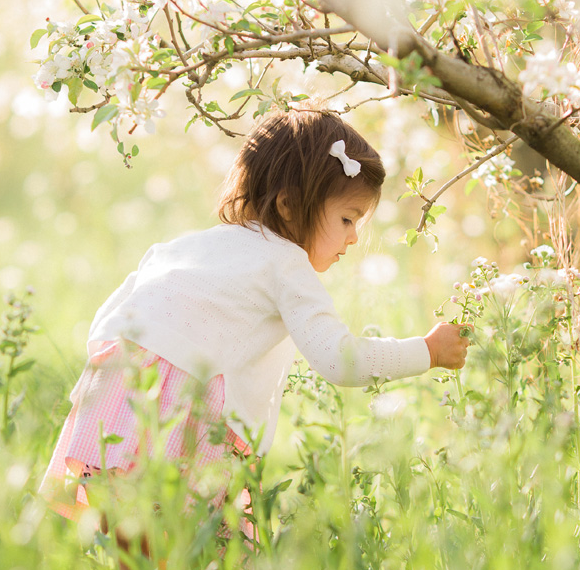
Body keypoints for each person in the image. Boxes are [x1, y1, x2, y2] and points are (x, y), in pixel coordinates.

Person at [39, 107, 467, 521]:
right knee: (204, 566)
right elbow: (339, 358)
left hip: (116, 400)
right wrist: (426, 351)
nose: (354, 238)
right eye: (347, 219)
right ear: (288, 205)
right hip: (184, 417)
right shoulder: (285, 263)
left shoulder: (190, 246)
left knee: (136, 553)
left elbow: (112, 319)